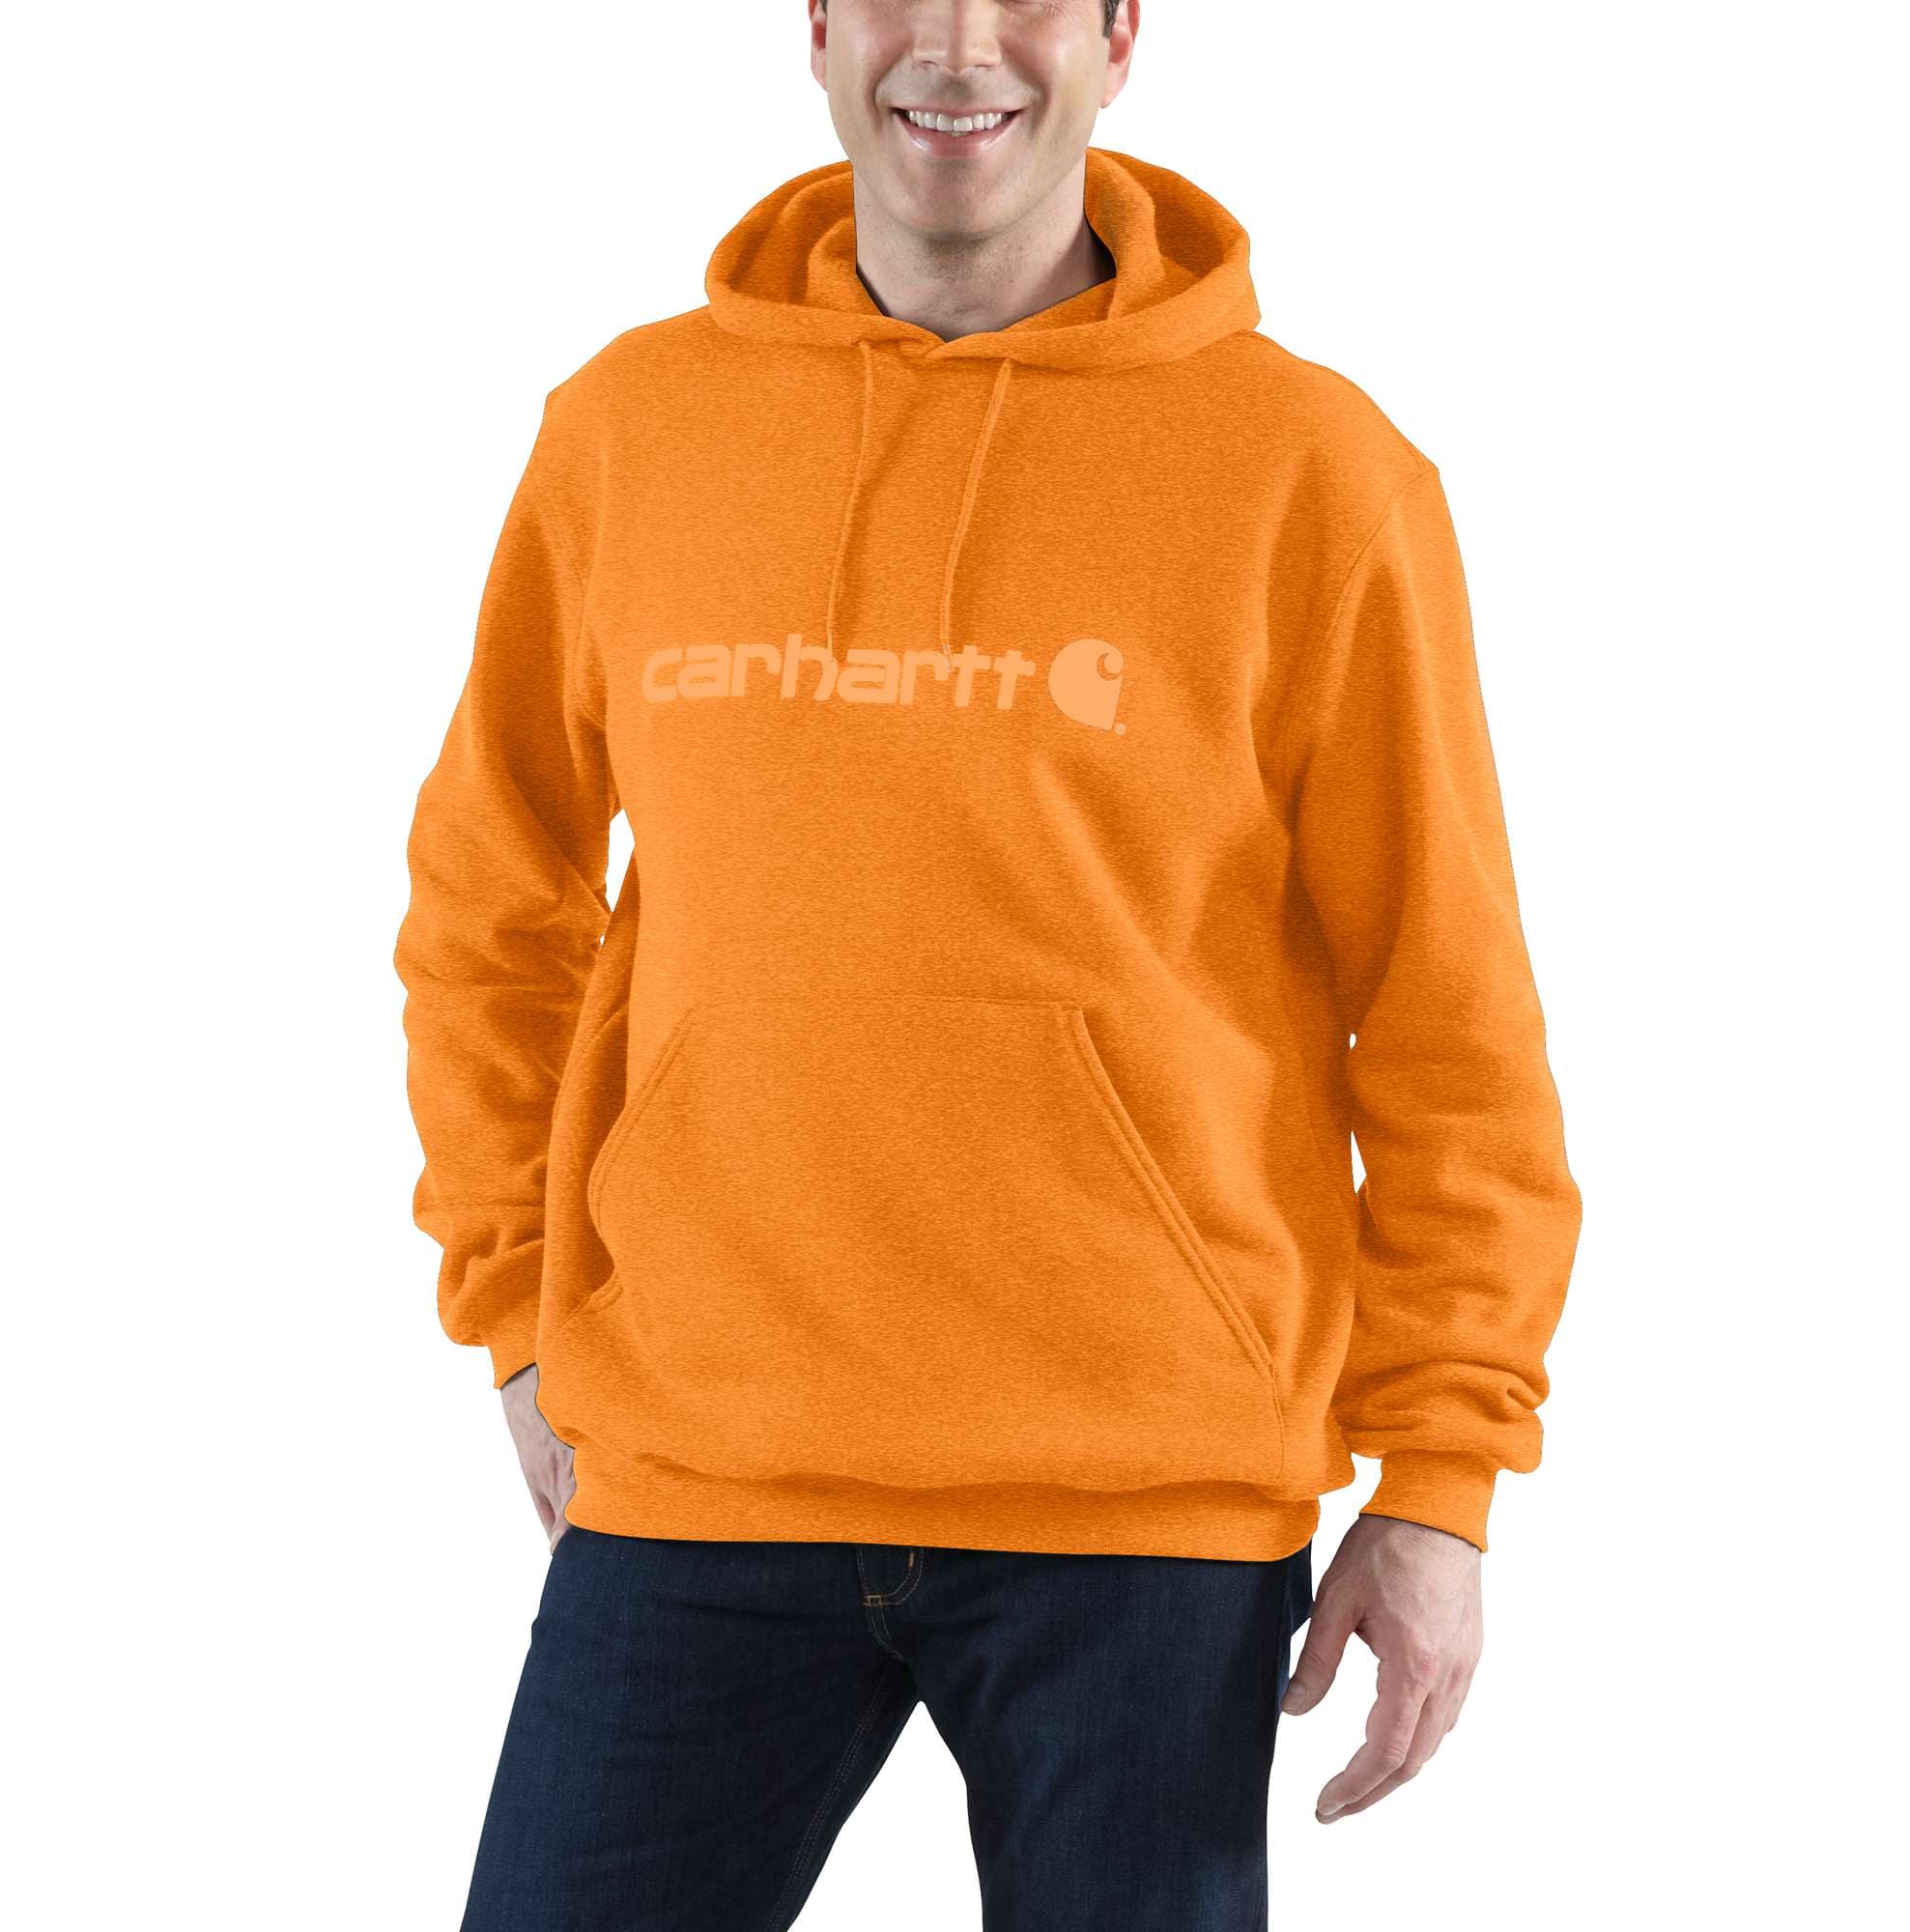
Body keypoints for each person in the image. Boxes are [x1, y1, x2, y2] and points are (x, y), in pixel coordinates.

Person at [394, 2, 1582, 1924]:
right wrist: (520, 1311)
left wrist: (1441, 1479)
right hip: (704, 1465)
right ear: (814, 27)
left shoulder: (1310, 472)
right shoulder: (630, 430)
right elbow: (488, 901)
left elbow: (1446, 1013)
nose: (957, 44)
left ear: (1118, 33)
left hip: (1143, 1509)